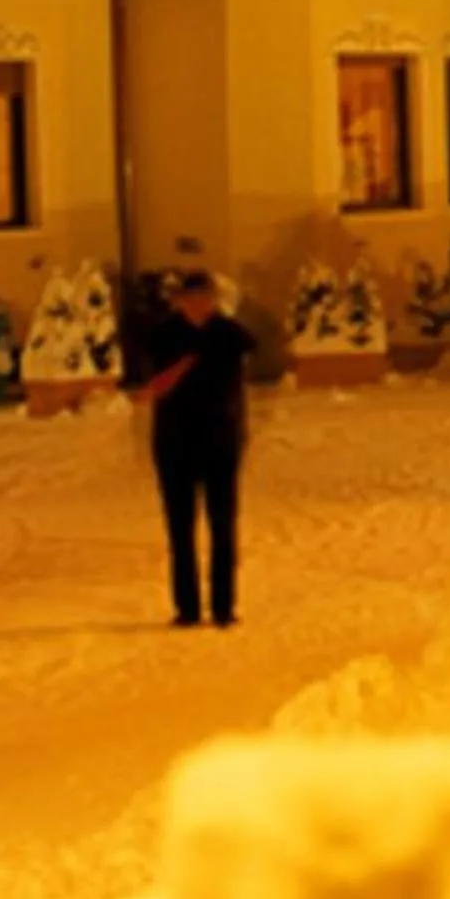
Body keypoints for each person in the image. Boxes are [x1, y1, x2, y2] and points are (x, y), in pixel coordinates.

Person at [138, 255, 252, 629]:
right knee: (180, 529)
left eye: (206, 297)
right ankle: (186, 608)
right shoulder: (163, 336)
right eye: (193, 297)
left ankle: (222, 607)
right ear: (180, 301)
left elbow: (249, 345)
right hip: (175, 445)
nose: (200, 304)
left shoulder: (228, 336)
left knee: (223, 527)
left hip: (220, 442)